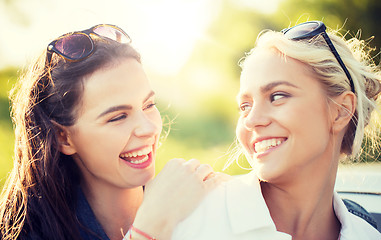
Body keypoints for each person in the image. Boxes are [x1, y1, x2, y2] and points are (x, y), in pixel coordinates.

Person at [0, 24, 223, 240]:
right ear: (63, 138)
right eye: (118, 117)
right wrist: (147, 229)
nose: (148, 128)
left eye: (148, 105)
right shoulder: (25, 233)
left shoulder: (203, 208)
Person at [172, 21, 381, 240]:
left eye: (277, 96)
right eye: (245, 106)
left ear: (340, 111)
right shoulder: (192, 219)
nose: (251, 120)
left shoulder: (368, 235)